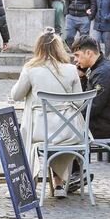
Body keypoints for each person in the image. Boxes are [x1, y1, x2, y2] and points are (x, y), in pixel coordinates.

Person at [11, 31, 84, 199]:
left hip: (40, 131)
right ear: (60, 48)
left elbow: (16, 95)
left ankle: (29, 183)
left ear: (38, 48)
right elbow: (80, 103)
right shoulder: (71, 70)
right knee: (61, 135)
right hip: (69, 132)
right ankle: (59, 184)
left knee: (34, 133)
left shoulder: (30, 69)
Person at [72, 36, 110, 141]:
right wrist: (82, 77)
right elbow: (87, 99)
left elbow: (93, 106)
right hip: (101, 123)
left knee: (60, 130)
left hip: (101, 128)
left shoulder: (103, 72)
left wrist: (71, 117)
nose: (75, 60)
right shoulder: (100, 68)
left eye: (77, 55)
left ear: (89, 53)